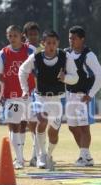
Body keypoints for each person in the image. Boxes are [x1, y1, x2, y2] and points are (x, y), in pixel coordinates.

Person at [19, 30, 79, 170]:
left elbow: (75, 77)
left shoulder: (65, 57)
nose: (51, 46)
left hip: (58, 99)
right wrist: (25, 89)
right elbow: (22, 70)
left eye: (54, 43)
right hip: (40, 96)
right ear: (43, 44)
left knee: (53, 133)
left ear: (58, 43)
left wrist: (66, 78)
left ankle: (49, 154)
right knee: (42, 120)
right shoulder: (36, 57)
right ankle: (41, 155)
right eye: (48, 43)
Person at [0, 25, 36, 169]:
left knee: (33, 124)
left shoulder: (30, 50)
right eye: (10, 36)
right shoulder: (3, 53)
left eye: (15, 35)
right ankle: (19, 159)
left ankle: (37, 156)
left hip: (29, 94)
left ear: (21, 36)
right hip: (11, 96)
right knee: (13, 126)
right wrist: (0, 92)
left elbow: (39, 70)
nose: (12, 38)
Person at [64, 26, 101, 167]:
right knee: (72, 127)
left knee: (84, 127)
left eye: (74, 38)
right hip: (70, 96)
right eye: (70, 38)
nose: (71, 41)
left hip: (83, 97)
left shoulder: (89, 55)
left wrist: (90, 95)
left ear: (82, 39)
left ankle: (85, 157)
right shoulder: (66, 53)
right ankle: (85, 155)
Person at [22, 21, 41, 167]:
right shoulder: (23, 49)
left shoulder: (40, 50)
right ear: (25, 36)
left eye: (35, 34)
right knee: (23, 124)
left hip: (35, 91)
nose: (33, 37)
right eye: (31, 34)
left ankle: (36, 155)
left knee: (34, 123)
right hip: (22, 92)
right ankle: (20, 156)